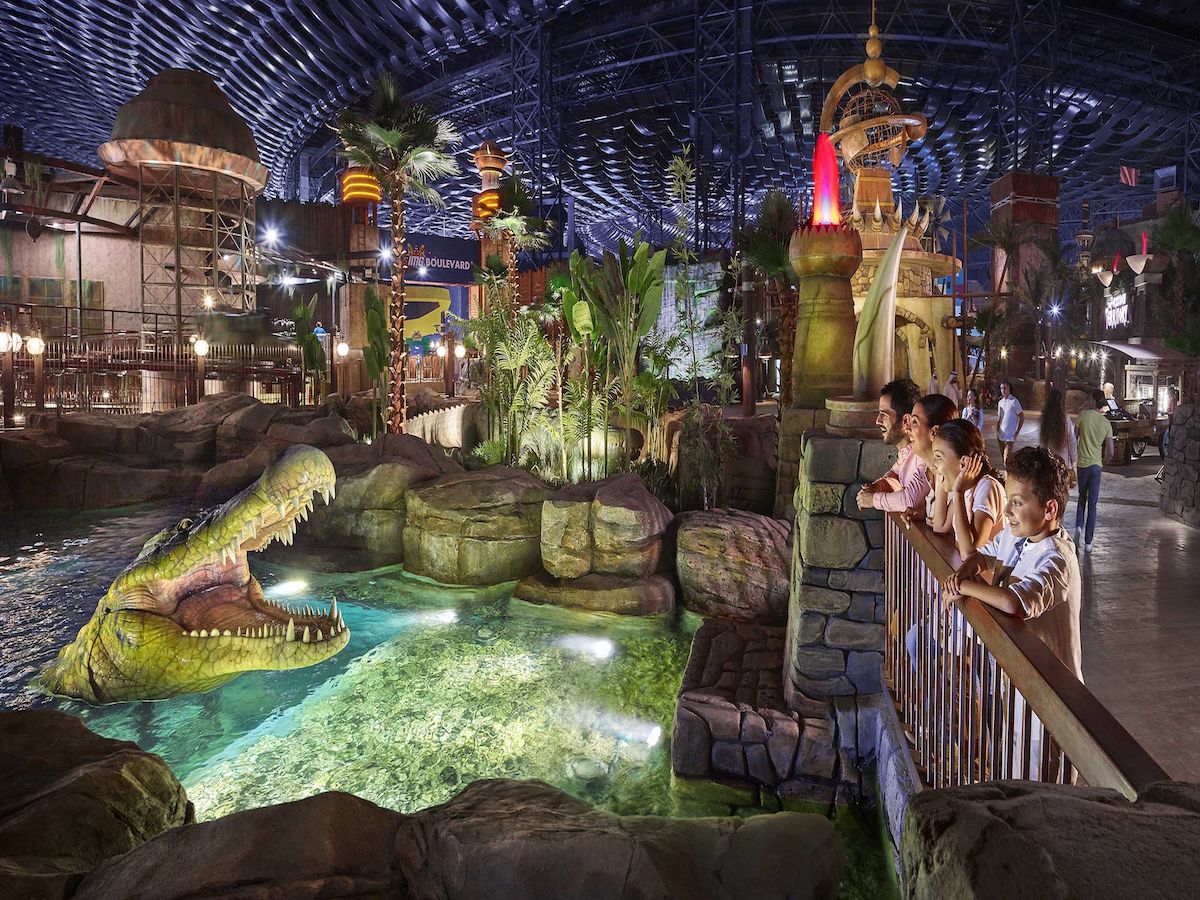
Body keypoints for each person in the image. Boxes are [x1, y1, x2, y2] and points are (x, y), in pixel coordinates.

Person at [943, 446, 1082, 680]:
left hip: (1049, 684)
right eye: (1008, 500)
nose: (1006, 511)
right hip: (1016, 671)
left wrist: (961, 586)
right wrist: (962, 573)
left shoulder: (1057, 560)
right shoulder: (1014, 534)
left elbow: (1013, 603)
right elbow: (981, 556)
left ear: (1049, 509)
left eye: (1016, 503)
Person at [928, 419, 1006, 559]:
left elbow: (969, 553)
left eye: (938, 457)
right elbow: (940, 527)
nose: (932, 465)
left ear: (964, 462)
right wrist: (940, 478)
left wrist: (958, 493)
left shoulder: (986, 487)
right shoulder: (966, 488)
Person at [856, 378, 927, 513]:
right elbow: (895, 474)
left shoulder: (923, 455)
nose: (878, 421)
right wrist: (876, 487)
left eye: (884, 414)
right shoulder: (907, 453)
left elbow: (910, 501)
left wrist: (873, 499)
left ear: (906, 420)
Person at [1074, 389, 1115, 552]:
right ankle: (1088, 542)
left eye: (1090, 398)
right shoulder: (1106, 423)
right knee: (1093, 503)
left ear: (1093, 400)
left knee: (1081, 498)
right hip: (1096, 466)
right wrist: (1104, 461)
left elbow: (1074, 437)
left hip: (1082, 464)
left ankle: (1078, 526)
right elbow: (1111, 451)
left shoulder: (1083, 416)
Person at [1039, 389, 1078, 485]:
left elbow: (1042, 442)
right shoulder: (1065, 419)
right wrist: (1074, 462)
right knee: (1062, 489)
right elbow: (1072, 441)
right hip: (1063, 462)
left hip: (1048, 462)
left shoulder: (1044, 419)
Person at [996, 380, 1024, 466]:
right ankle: (1011, 471)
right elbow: (999, 417)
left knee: (1006, 460)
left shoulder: (1014, 401)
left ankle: (1010, 473)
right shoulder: (1000, 402)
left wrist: (1017, 431)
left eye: (1005, 388)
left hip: (1010, 436)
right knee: (1004, 460)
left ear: (1009, 389)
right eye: (1001, 388)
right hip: (1000, 435)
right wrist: (997, 430)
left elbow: (1021, 417)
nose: (1003, 390)